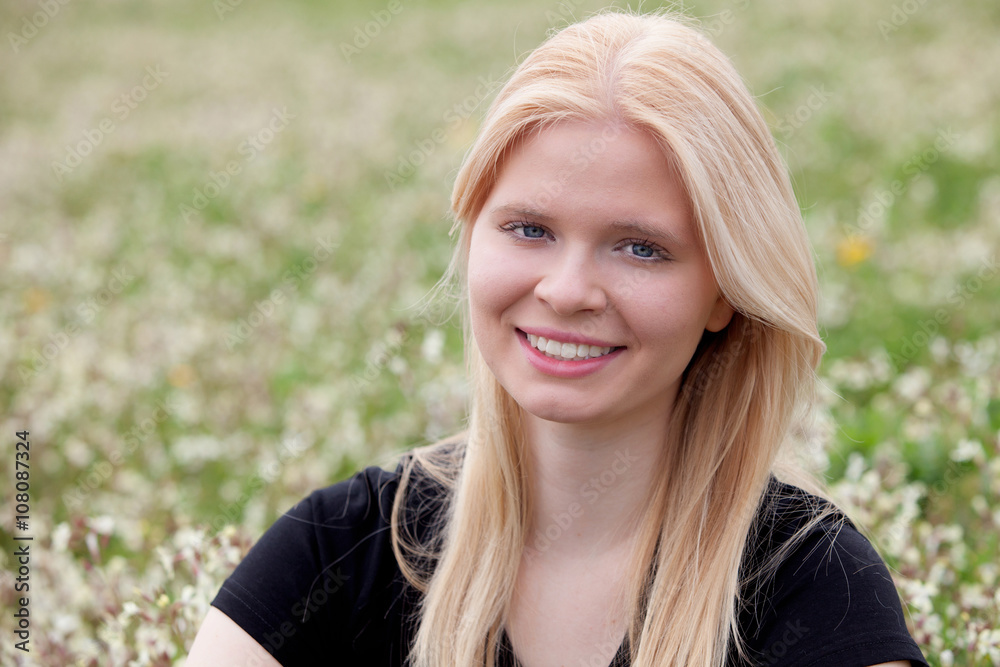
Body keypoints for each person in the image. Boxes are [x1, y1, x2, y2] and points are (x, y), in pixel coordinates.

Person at [187, 10, 929, 667]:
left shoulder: (813, 588)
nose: (568, 290)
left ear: (725, 294)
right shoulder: (340, 549)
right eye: (529, 229)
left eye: (639, 246)